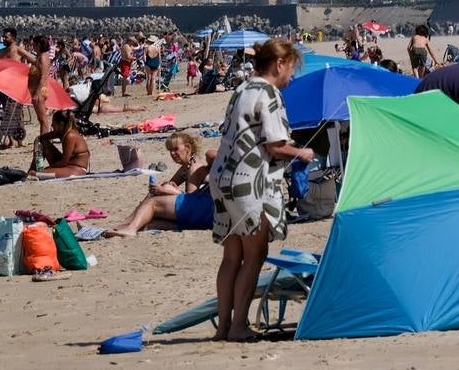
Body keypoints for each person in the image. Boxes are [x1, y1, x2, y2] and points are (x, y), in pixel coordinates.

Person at [209, 39, 311, 342]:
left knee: (231, 256)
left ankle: (224, 328)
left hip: (222, 177)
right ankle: (238, 324)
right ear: (279, 65)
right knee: (255, 253)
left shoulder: (242, 88)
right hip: (247, 180)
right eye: (291, 69)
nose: (291, 77)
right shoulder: (269, 93)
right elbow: (274, 144)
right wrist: (302, 153)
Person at [104, 131, 212, 237]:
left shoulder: (194, 167)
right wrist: (165, 188)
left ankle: (129, 226)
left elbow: (191, 200)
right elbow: (172, 183)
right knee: (150, 221)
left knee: (154, 201)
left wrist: (165, 190)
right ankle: (128, 223)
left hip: (198, 211)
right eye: (170, 151)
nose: (173, 154)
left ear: (187, 148)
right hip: (199, 212)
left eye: (175, 149)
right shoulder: (186, 166)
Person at [28, 109, 90, 179]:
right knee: (41, 141)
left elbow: (64, 162)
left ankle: (36, 172)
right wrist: (38, 142)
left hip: (76, 170)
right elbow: (42, 138)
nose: (52, 125)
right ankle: (34, 168)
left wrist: (49, 168)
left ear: (61, 124)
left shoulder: (70, 136)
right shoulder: (62, 132)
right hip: (67, 166)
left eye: (53, 123)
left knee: (35, 174)